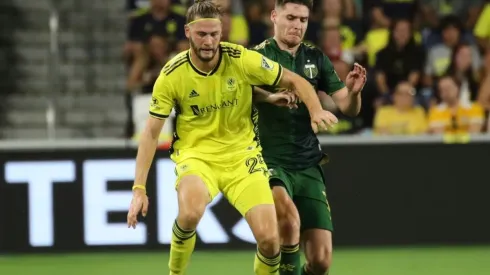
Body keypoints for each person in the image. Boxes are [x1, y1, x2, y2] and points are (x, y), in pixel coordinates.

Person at [126, 1, 338, 275]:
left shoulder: (240, 59)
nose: (209, 41)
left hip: (243, 158)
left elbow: (295, 80)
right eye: (202, 34)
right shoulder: (171, 75)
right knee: (190, 213)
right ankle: (175, 273)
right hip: (197, 157)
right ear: (188, 32)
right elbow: (151, 133)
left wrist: (315, 109)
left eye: (215, 34)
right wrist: (138, 190)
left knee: (271, 240)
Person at [252, 1, 366, 275]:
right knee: (288, 222)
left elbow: (347, 108)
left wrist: (353, 93)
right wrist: (269, 97)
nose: (297, 25)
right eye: (290, 17)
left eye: (303, 19)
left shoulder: (316, 57)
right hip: (269, 160)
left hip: (307, 163)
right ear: (274, 16)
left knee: (321, 261)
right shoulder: (256, 58)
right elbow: (240, 92)